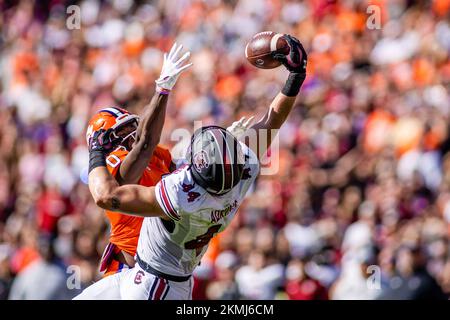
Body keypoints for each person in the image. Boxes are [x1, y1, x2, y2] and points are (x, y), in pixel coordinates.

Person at [74, 34, 308, 300]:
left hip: (153, 284)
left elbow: (108, 193)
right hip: (159, 272)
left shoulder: (178, 194)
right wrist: (295, 77)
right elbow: (271, 122)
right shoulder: (239, 178)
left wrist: (95, 149)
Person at [85, 43, 192, 277]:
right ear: (108, 139)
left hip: (162, 262)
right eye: (125, 130)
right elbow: (144, 143)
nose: (133, 129)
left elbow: (183, 173)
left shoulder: (155, 154)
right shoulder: (115, 161)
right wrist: (162, 89)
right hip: (128, 270)